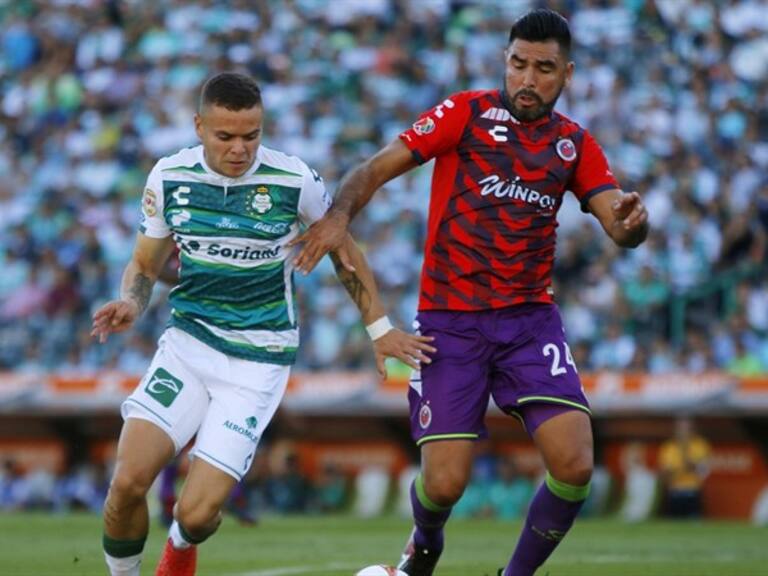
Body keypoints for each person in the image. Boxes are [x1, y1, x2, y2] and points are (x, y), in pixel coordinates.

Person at [291, 9, 648, 576]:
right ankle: (424, 542)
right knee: (444, 483)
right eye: (518, 64)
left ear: (568, 74)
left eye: (544, 69)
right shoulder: (465, 113)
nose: (527, 79)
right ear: (505, 60)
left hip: (529, 321)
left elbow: (617, 222)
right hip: (450, 322)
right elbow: (375, 167)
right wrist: (338, 216)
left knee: (575, 464)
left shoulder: (574, 145)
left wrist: (631, 226)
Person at [91, 72, 435, 576]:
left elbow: (343, 251)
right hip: (188, 346)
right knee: (126, 484)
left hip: (258, 362)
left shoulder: (293, 180)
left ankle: (180, 546)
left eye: (251, 135)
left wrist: (379, 329)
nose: (239, 148)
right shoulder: (169, 177)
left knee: (196, 516)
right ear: (199, 127)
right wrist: (131, 301)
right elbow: (145, 264)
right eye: (225, 136)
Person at [658, 417, 711, 518]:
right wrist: (667, 473)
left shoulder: (700, 445)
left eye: (687, 428)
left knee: (693, 523)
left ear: (693, 429)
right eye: (681, 428)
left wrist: (684, 449)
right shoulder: (668, 446)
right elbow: (664, 473)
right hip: (674, 493)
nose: (683, 431)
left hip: (693, 492)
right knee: (673, 524)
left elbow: (701, 471)